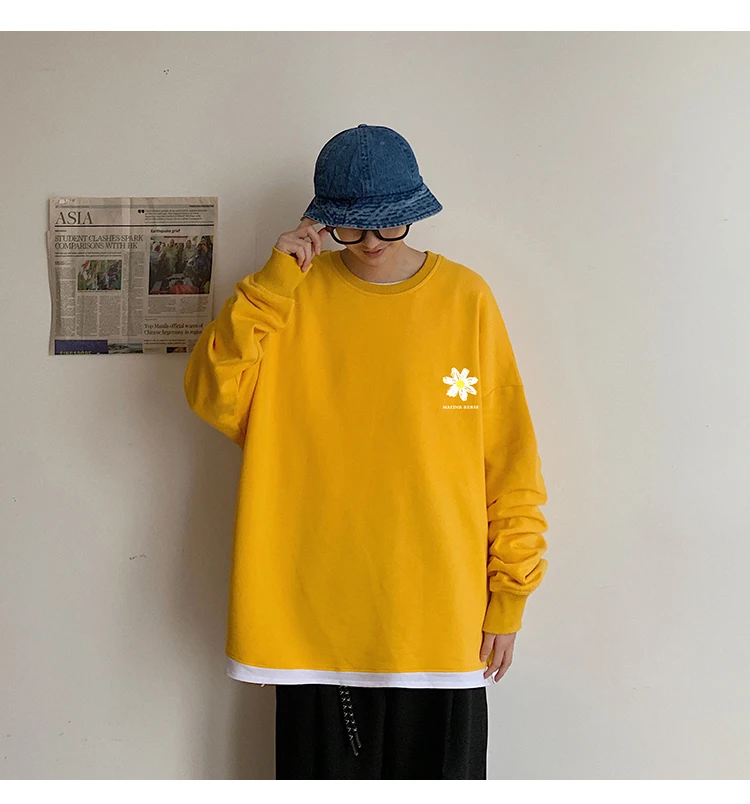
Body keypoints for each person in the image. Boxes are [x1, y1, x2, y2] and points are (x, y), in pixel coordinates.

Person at [183, 124, 549, 779]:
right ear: (324, 221)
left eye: (389, 224)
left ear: (415, 212)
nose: (373, 243)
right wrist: (272, 283)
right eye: (351, 228)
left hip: (441, 622)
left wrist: (510, 595)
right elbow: (213, 393)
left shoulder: (466, 299)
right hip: (312, 624)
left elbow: (510, 462)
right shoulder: (289, 297)